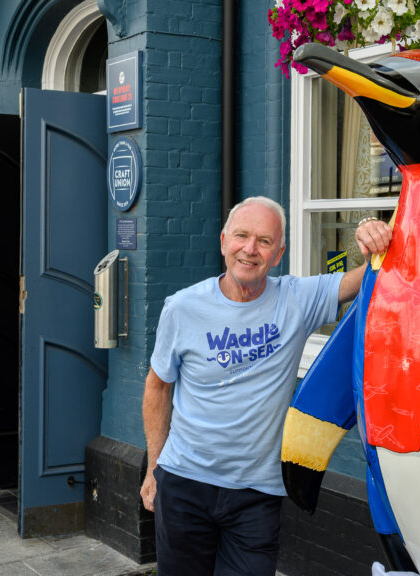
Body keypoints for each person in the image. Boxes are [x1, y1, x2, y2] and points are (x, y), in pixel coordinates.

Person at [140, 196, 391, 576]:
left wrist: (372, 233)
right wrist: (153, 469)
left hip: (257, 493)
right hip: (184, 483)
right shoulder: (182, 308)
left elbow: (363, 279)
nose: (250, 249)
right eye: (241, 236)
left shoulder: (296, 299)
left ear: (279, 254)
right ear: (224, 241)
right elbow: (157, 388)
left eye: (264, 241)